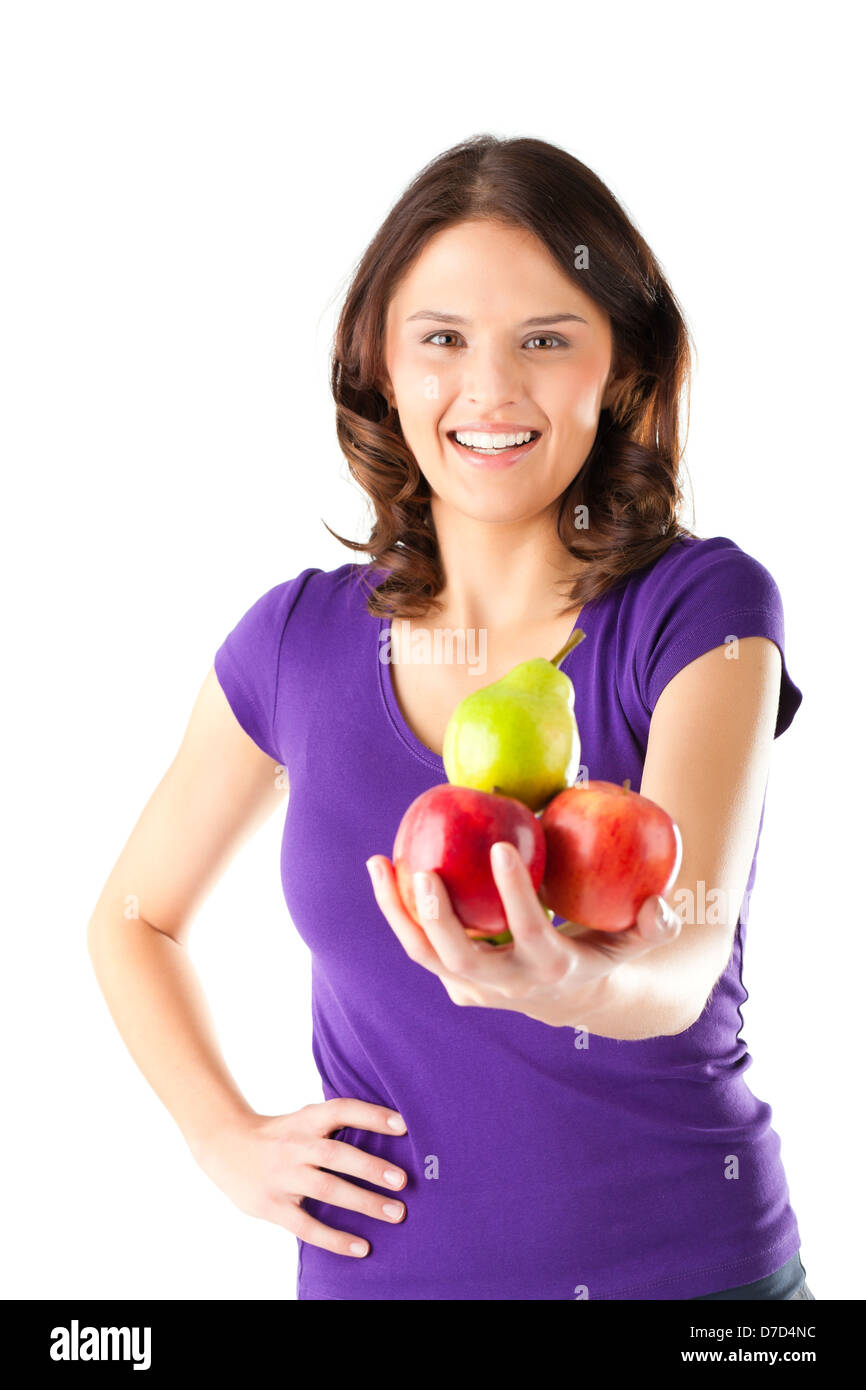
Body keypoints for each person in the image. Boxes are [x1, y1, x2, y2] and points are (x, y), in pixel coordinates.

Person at [87, 134, 814, 1301]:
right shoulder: (294, 644)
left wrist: (566, 986)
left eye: (543, 339)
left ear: (619, 367)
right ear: (380, 362)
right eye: (442, 340)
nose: (489, 389)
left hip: (694, 1290)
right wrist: (219, 1136)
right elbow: (132, 918)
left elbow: (681, 952)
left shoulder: (703, 608)